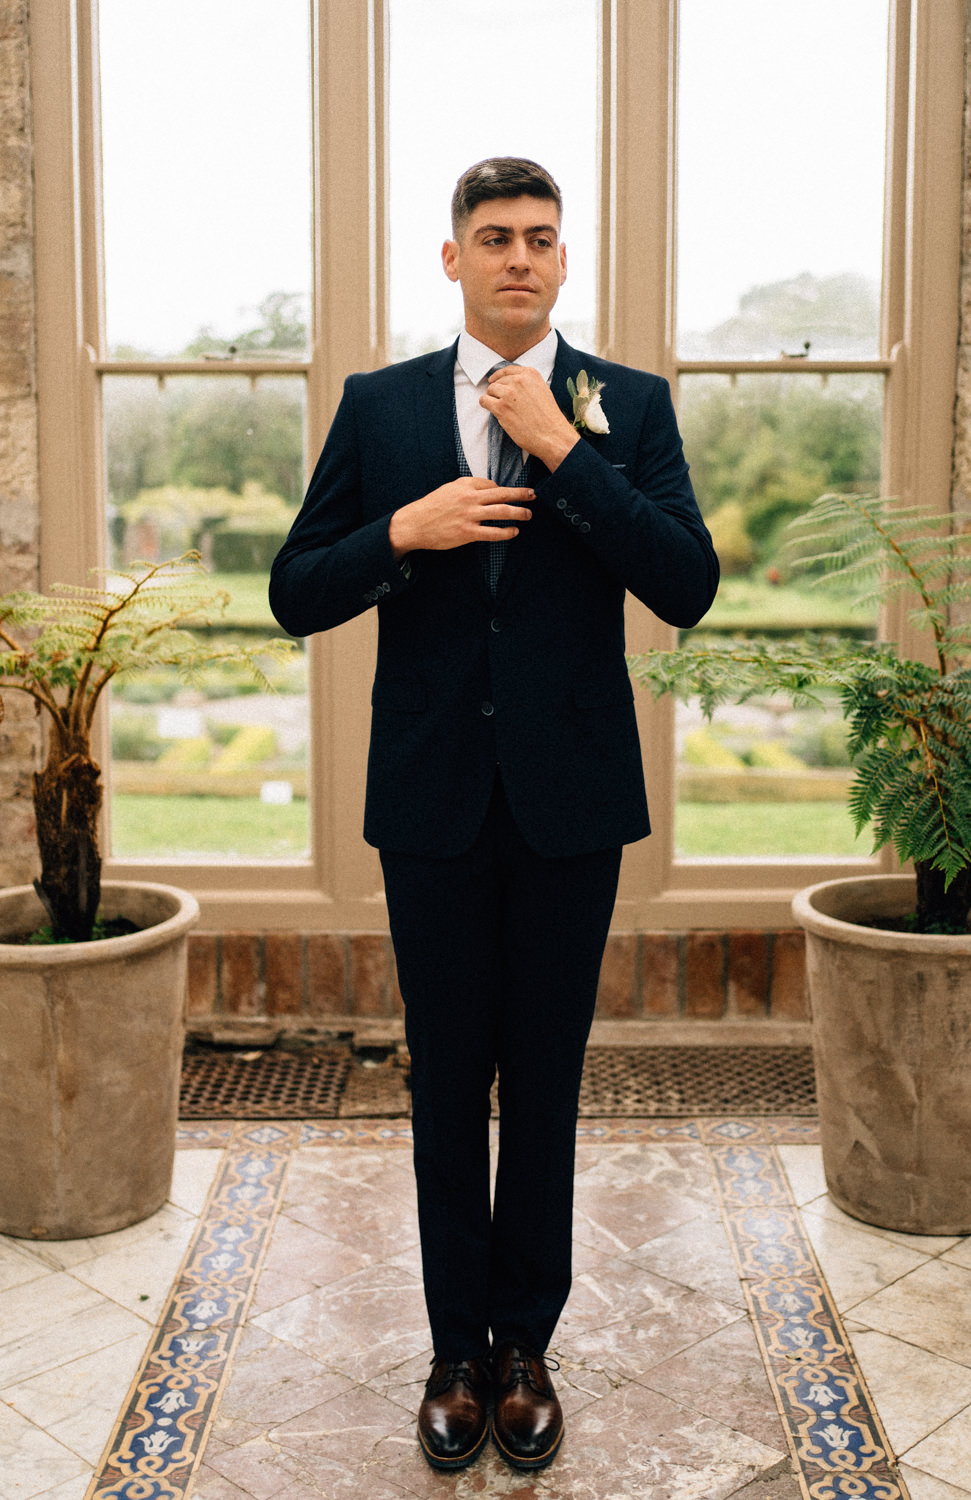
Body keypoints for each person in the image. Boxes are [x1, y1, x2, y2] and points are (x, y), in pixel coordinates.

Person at [269, 156, 718, 1473]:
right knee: (448, 1080)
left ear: (564, 262)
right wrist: (402, 529)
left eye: (541, 238)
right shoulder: (382, 406)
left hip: (574, 801)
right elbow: (299, 592)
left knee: (550, 1081)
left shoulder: (624, 407)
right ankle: (455, 1351)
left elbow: (682, 582)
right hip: (432, 801)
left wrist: (564, 451)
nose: (520, 256)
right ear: (452, 259)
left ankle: (528, 1344)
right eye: (494, 237)